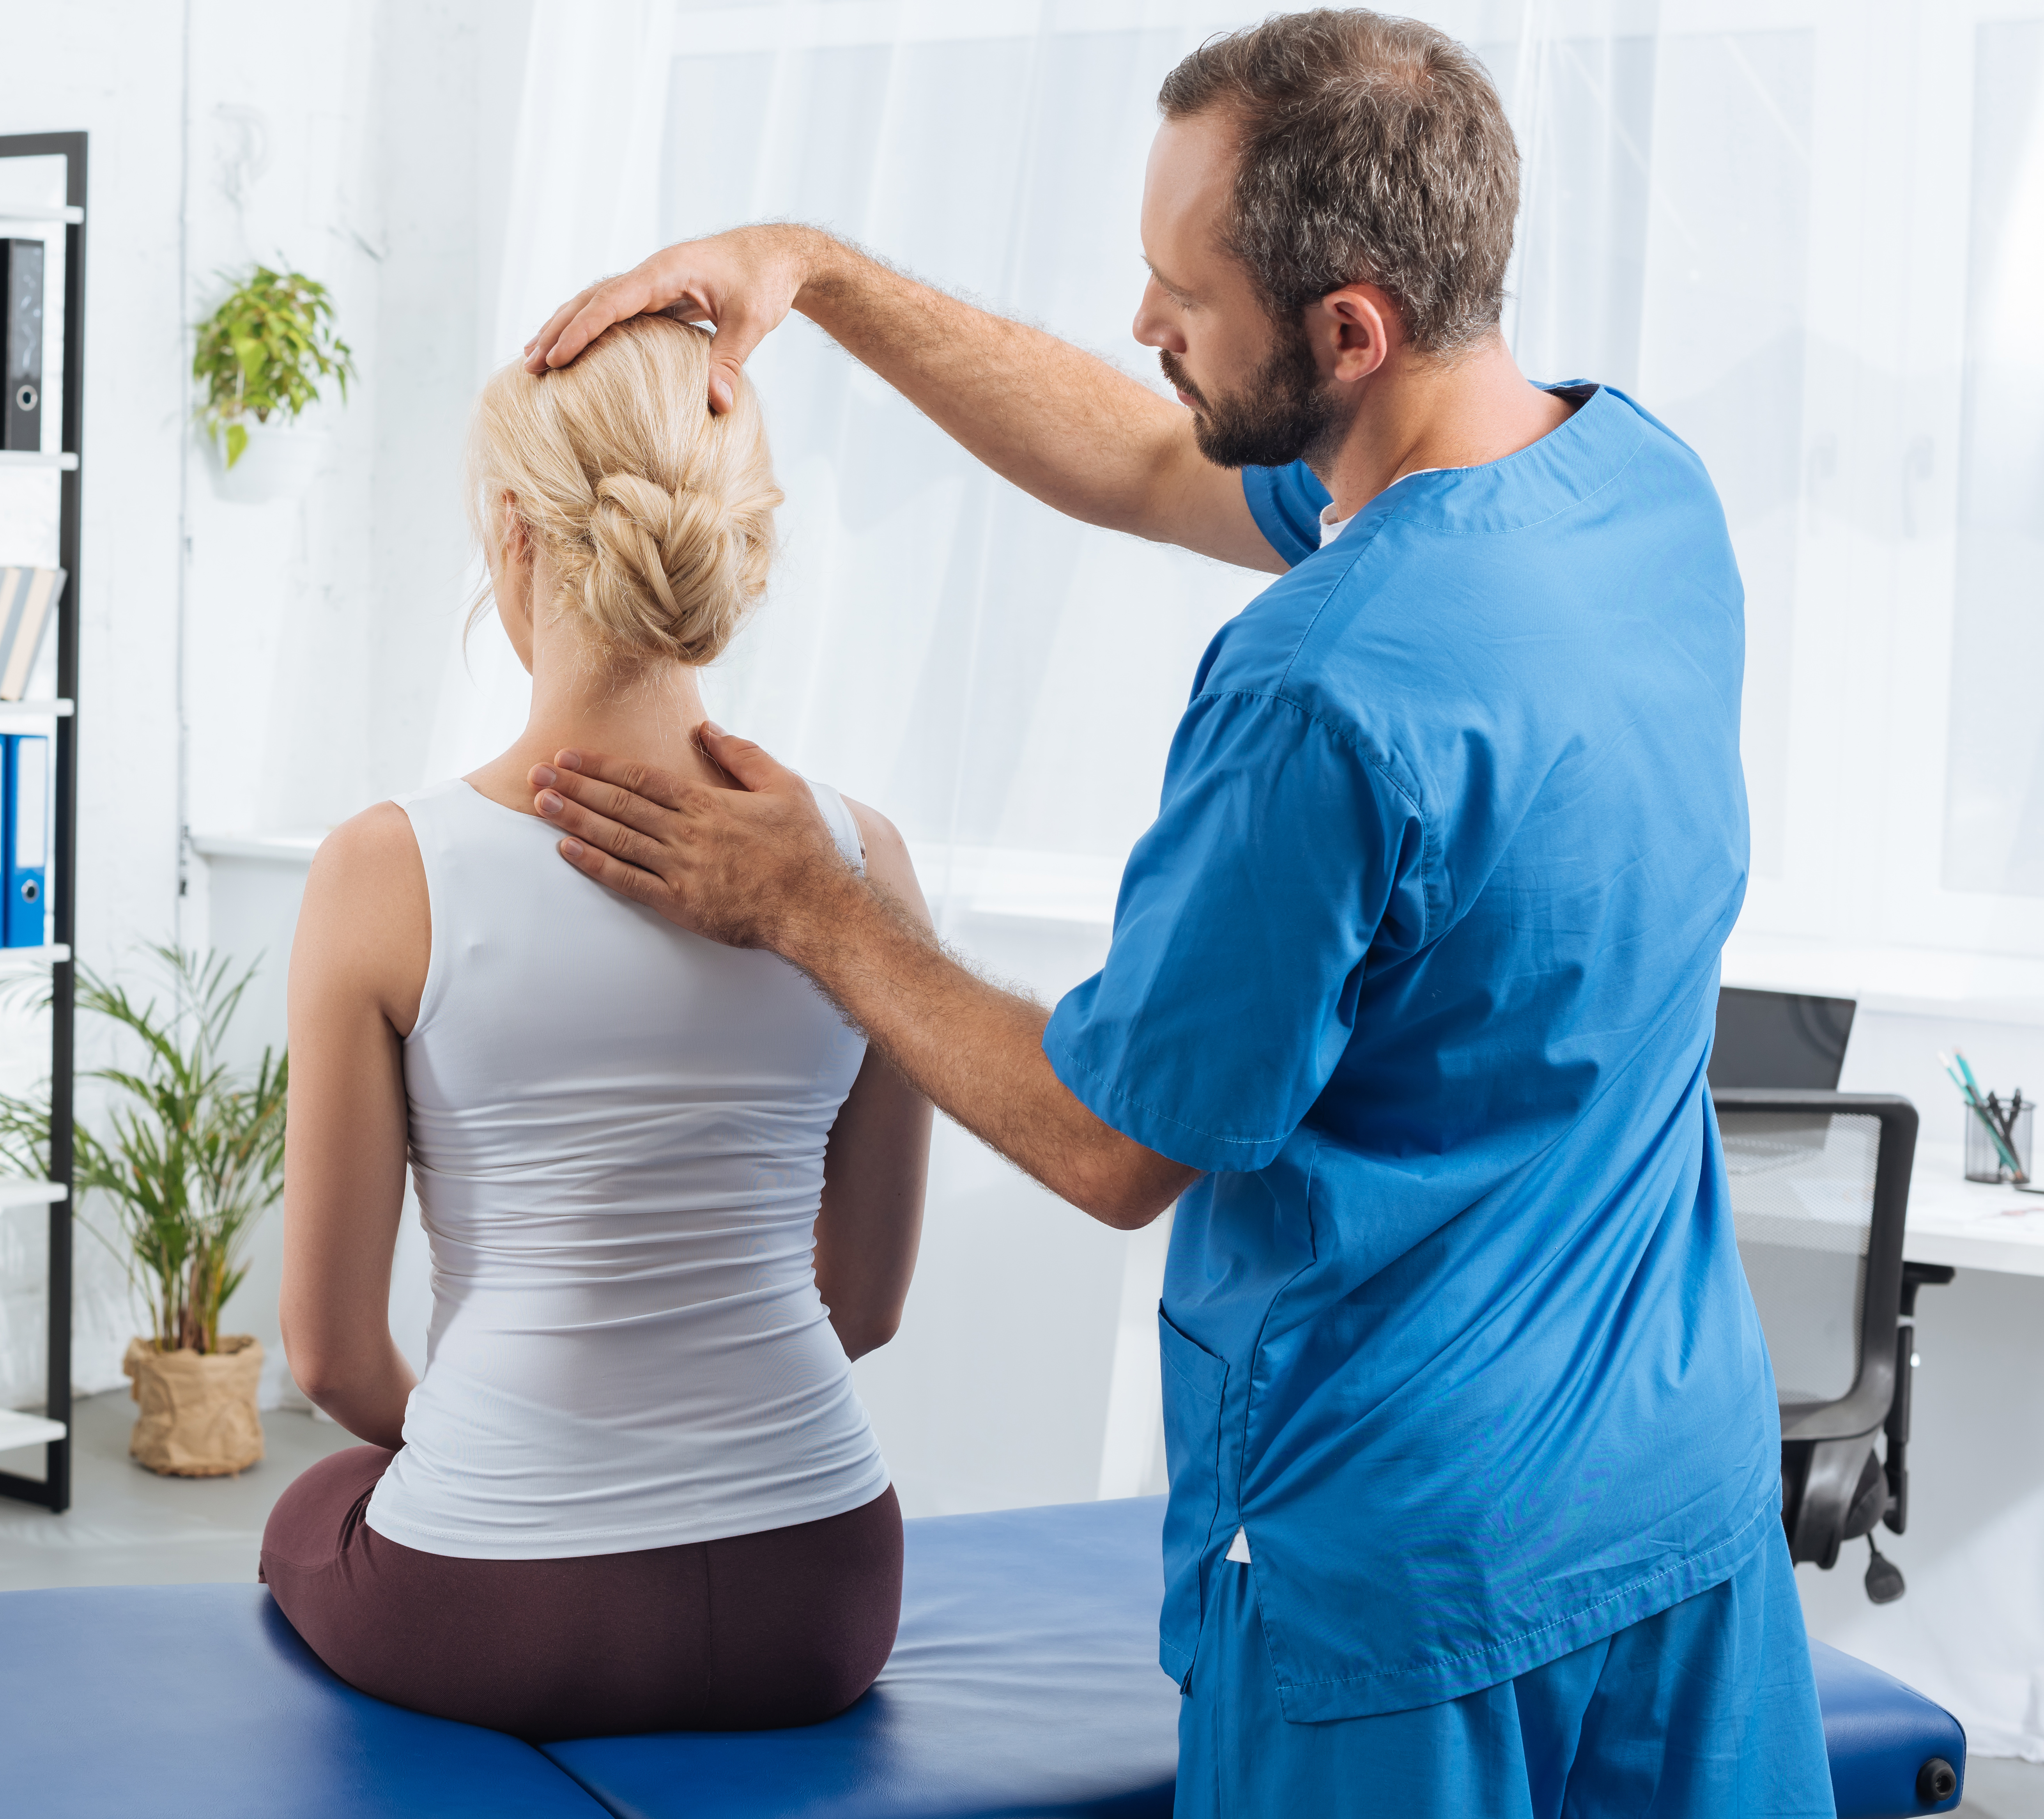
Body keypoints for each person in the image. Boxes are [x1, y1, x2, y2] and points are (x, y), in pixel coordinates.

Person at [511, 10, 1832, 1815]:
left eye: (1180, 297)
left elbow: (1114, 1144)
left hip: (1403, 1579)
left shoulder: (1321, 687)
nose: (1146, 325)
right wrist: (808, 271)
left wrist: (812, 908)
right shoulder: (1633, 489)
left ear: (1345, 329)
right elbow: (1139, 462)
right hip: (1675, 1505)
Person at [263, 312, 934, 1743]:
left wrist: (506, 1446)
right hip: (824, 1591)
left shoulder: (387, 870)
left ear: (514, 531)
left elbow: (328, 1356)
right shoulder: (867, 858)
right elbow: (864, 1307)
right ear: (736, 543)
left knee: (312, 1512)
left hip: (506, 1605)